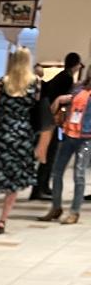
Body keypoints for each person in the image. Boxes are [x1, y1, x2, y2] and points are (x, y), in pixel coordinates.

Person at [0, 48, 41, 235]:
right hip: (22, 136)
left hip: (3, 134)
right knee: (13, 181)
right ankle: (2, 221)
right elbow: (36, 108)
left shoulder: (1, 83)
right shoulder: (34, 84)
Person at [41, 66, 91, 224]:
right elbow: (70, 101)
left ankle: (74, 211)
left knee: (79, 174)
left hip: (86, 138)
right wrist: (60, 101)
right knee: (57, 172)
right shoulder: (79, 87)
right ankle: (56, 207)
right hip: (69, 134)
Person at [32, 52, 84, 200]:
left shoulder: (62, 76)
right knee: (49, 153)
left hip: (50, 119)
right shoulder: (66, 77)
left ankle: (42, 186)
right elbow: (61, 99)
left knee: (49, 153)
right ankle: (40, 188)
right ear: (76, 64)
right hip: (54, 120)